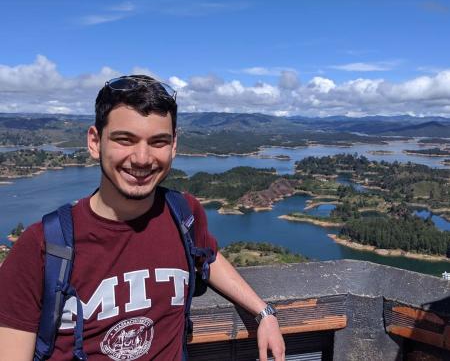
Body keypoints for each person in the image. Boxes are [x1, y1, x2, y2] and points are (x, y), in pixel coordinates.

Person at [0, 75, 285, 361]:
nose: (142, 158)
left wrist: (263, 312)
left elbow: (208, 257)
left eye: (158, 142)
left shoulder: (183, 213)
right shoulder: (42, 246)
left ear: (173, 145)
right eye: (125, 139)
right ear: (95, 142)